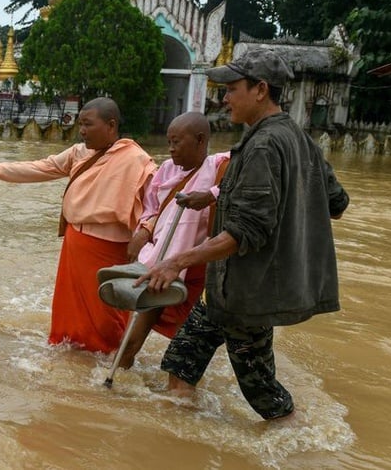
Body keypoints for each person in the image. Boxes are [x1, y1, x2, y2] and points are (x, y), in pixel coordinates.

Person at [139, 49, 350, 420]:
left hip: (246, 296)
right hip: (226, 289)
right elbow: (335, 202)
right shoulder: (300, 140)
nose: (224, 99)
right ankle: (179, 444)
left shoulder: (264, 145)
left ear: (260, 90)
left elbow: (246, 231)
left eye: (232, 89)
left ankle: (300, 450)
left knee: (266, 398)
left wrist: (177, 261)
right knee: (180, 366)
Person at [0, 97, 156, 353]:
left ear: (111, 125)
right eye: (80, 125)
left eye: (88, 124)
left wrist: (145, 231)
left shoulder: (137, 160)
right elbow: (42, 167)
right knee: (70, 309)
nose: (82, 131)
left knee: (107, 314)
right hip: (76, 241)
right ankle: (72, 356)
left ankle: (110, 358)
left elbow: (157, 204)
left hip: (113, 249)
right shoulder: (79, 153)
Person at [115, 112, 230, 369]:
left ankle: (179, 390)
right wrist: (144, 231)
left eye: (177, 142)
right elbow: (151, 209)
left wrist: (210, 195)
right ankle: (119, 375)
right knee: (134, 334)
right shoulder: (167, 169)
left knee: (193, 342)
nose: (171, 149)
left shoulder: (222, 165)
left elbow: (242, 187)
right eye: (169, 142)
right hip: (164, 262)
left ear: (200, 140)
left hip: (201, 266)